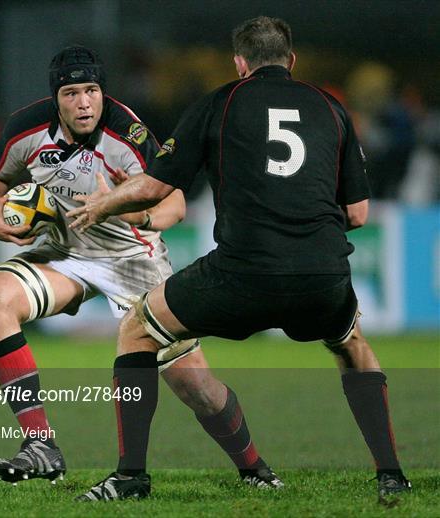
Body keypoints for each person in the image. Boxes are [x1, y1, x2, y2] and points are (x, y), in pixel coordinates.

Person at [71, 17, 411, 502]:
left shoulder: (219, 103)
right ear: (291, 61)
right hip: (321, 276)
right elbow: (357, 213)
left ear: (238, 63)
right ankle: (391, 474)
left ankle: (130, 478)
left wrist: (104, 203)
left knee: (138, 329)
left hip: (241, 275)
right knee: (352, 345)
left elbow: (159, 184)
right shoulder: (330, 107)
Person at [0, 45, 282, 490]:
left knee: (195, 386)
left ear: (103, 92)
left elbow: (175, 202)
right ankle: (40, 445)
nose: (84, 102)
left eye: (92, 90)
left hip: (132, 260)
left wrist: (129, 212)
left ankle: (254, 468)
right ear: (55, 98)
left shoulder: (128, 136)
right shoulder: (27, 129)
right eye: (72, 93)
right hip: (65, 252)